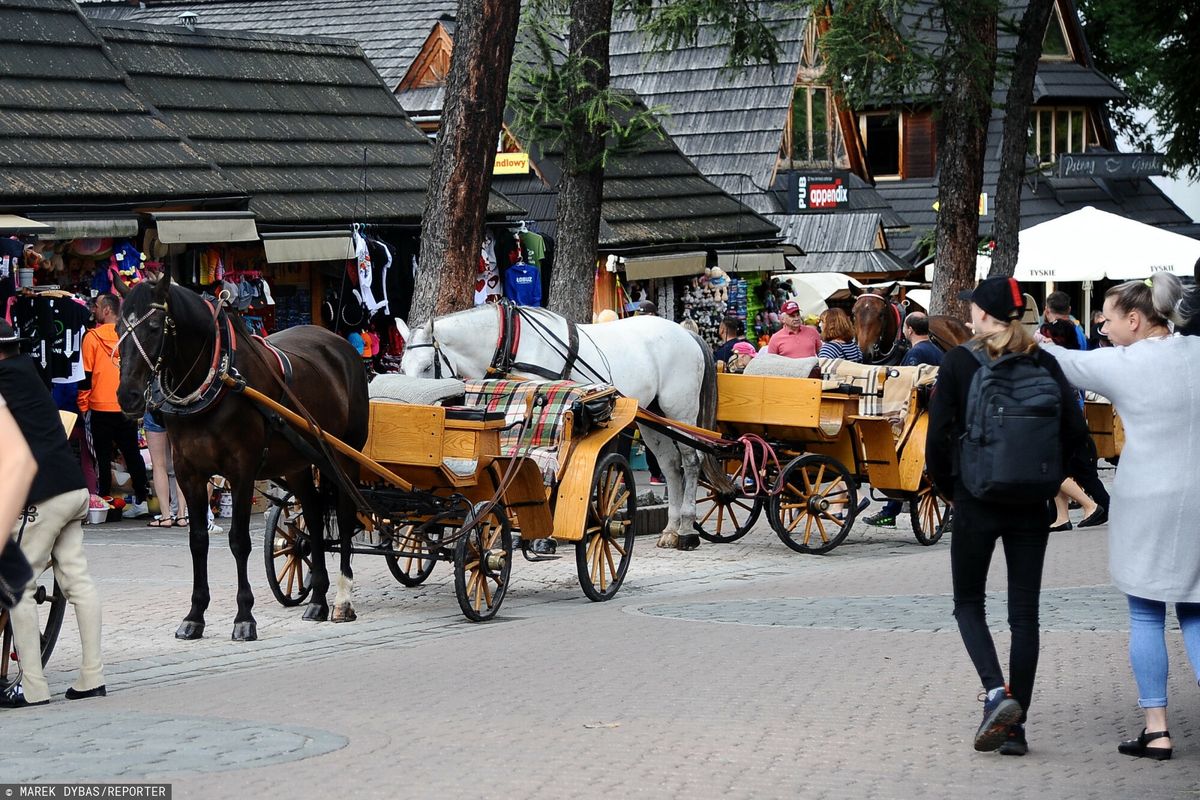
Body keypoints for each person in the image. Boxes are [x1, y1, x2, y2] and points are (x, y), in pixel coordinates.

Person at [926, 276, 1090, 755]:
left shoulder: (960, 362)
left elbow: (938, 439)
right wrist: (1047, 476)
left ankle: (996, 692)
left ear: (981, 315)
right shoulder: (1044, 360)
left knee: (968, 602)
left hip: (976, 499)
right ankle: (1016, 730)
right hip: (1031, 505)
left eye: (973, 307)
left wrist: (948, 489)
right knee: (1024, 616)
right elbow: (1076, 429)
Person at [1040, 273, 1200, 761]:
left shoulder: (1123, 364)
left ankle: (1157, 729)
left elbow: (1059, 360)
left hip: (1148, 497)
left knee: (1146, 611)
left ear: (1135, 319)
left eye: (1108, 319)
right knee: (1196, 611)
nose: (1102, 328)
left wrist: (1004, 330)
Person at [0, 321, 105, 707]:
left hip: (42, 496)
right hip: (74, 488)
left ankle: (33, 686)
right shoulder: (28, 373)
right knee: (78, 581)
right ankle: (92, 676)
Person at [864, 313, 945, 528]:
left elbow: (907, 390)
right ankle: (890, 510)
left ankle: (890, 511)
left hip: (915, 418)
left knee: (896, 456)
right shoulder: (937, 351)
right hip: (932, 416)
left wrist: (895, 417)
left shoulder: (915, 354)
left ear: (908, 329)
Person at [79, 294, 149, 518]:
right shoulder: (129, 335)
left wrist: (83, 404)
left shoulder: (92, 338)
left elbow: (86, 377)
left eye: (97, 306)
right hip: (125, 405)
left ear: (107, 310)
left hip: (99, 406)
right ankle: (141, 500)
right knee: (132, 454)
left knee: (101, 456)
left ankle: (105, 502)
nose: (94, 310)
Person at [1037, 318, 1110, 531]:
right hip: (1069, 420)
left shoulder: (1058, 361)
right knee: (1065, 469)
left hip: (1060, 422)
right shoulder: (1071, 358)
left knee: (1054, 470)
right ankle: (1061, 517)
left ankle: (1090, 506)